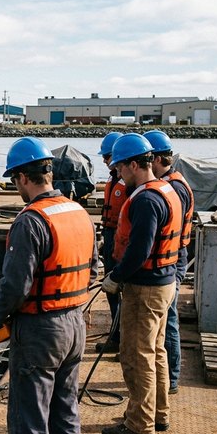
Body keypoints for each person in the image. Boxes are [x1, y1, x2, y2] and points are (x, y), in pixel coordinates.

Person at [0, 136, 98, 434]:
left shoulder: (31, 221)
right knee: (65, 411)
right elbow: (94, 269)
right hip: (75, 325)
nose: (15, 187)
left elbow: (16, 286)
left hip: (40, 332)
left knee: (29, 420)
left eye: (14, 179)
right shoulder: (77, 211)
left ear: (22, 177)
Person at [100, 133, 182, 434]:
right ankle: (158, 413)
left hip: (146, 289)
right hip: (164, 282)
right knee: (155, 352)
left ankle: (139, 423)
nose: (118, 173)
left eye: (121, 167)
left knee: (137, 355)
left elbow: (140, 249)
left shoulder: (146, 199)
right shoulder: (165, 190)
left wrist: (116, 276)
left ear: (135, 164)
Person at [145, 129, 193, 395]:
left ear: (155, 158)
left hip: (172, 258)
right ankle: (168, 376)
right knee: (166, 318)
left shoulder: (172, 187)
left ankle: (171, 378)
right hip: (174, 255)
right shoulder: (173, 183)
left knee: (168, 317)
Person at [95, 131, 127, 354]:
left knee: (117, 292)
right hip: (111, 237)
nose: (105, 161)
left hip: (120, 241)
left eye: (107, 157)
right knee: (111, 292)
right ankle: (117, 335)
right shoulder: (114, 179)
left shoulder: (128, 184)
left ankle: (119, 338)